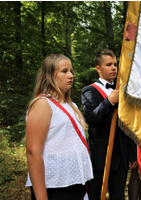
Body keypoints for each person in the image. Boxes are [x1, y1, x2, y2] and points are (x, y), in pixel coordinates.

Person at [26, 54, 93, 200]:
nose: (71, 75)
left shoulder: (72, 106)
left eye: (71, 71)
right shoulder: (43, 104)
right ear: (49, 75)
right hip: (54, 187)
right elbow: (33, 153)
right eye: (64, 71)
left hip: (76, 184)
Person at [81, 50, 137, 200]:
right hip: (100, 156)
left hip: (121, 155)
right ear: (98, 68)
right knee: (96, 195)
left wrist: (132, 153)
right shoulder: (90, 91)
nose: (113, 68)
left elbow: (129, 124)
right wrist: (109, 101)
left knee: (118, 196)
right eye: (108, 65)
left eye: (115, 64)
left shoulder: (122, 90)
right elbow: (92, 119)